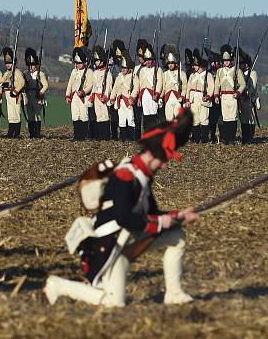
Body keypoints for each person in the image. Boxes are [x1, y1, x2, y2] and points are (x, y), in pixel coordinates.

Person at [44, 110, 199, 307]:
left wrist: (179, 216)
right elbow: (123, 217)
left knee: (176, 236)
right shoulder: (125, 176)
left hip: (125, 241)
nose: (164, 166)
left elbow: (150, 214)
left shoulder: (142, 176)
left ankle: (174, 294)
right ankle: (58, 286)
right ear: (153, 154)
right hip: (110, 244)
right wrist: (160, 222)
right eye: (164, 159)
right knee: (114, 302)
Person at [212, 45, 246, 145]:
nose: (226, 62)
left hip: (233, 96)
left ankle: (232, 138)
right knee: (225, 119)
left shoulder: (237, 70)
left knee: (233, 118)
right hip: (223, 97)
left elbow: (243, 84)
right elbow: (217, 85)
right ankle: (226, 138)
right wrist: (216, 96)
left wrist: (238, 93)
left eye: (228, 60)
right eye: (224, 60)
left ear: (231, 60)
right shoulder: (219, 71)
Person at [185, 50, 214, 144]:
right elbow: (188, 88)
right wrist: (187, 99)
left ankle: (204, 140)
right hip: (193, 99)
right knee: (195, 120)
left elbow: (211, 87)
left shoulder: (208, 75)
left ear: (200, 65)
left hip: (203, 98)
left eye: (195, 65)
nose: (194, 67)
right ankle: (197, 140)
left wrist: (208, 96)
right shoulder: (192, 75)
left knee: (204, 119)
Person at [66, 47, 93, 141]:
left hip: (83, 97)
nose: (77, 65)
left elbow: (90, 85)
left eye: (79, 63)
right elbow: (70, 84)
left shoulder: (89, 72)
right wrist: (67, 95)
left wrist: (84, 92)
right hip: (74, 97)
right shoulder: (74, 72)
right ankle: (76, 136)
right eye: (76, 63)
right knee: (75, 115)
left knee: (83, 116)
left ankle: (83, 136)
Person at [110, 54, 138, 141]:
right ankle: (123, 138)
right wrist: (112, 97)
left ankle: (131, 138)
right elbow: (115, 88)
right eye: (122, 68)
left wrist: (132, 97)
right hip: (120, 101)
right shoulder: (119, 77)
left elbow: (136, 88)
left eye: (125, 68)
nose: (123, 70)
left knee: (130, 119)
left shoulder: (133, 76)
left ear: (129, 68)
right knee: (121, 120)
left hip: (128, 101)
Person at [136, 41, 163, 132]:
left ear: (153, 60)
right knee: (146, 115)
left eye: (149, 60)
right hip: (144, 95)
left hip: (153, 94)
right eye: (146, 60)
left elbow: (159, 83)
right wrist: (139, 98)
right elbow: (140, 85)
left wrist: (157, 93)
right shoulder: (142, 70)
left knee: (153, 114)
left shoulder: (158, 70)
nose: (148, 62)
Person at [0, 47, 25, 138]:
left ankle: (16, 133)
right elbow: (1, 82)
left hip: (15, 96)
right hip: (8, 96)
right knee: (10, 114)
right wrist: (4, 83)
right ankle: (11, 132)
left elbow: (22, 82)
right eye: (7, 63)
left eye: (9, 63)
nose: (8, 65)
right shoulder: (6, 73)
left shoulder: (17, 72)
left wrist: (15, 91)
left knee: (16, 114)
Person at [23, 47, 48, 138]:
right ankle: (31, 133)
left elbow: (45, 85)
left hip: (37, 96)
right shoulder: (25, 74)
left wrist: (41, 93)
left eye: (32, 65)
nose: (30, 67)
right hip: (28, 96)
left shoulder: (40, 74)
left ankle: (37, 134)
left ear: (36, 65)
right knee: (30, 116)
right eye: (29, 65)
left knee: (37, 116)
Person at [89, 45, 113, 140]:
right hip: (96, 97)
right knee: (98, 115)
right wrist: (92, 95)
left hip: (103, 97)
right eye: (96, 61)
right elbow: (94, 86)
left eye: (98, 61)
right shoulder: (95, 73)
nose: (96, 62)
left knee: (105, 116)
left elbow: (109, 86)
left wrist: (106, 96)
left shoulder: (108, 73)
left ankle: (105, 136)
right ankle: (99, 135)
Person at [161, 45, 186, 123]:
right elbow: (163, 87)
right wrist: (160, 97)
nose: (170, 65)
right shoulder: (165, 74)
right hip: (168, 98)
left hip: (177, 98)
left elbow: (185, 86)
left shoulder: (182, 74)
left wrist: (182, 96)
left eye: (172, 63)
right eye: (169, 63)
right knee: (169, 119)